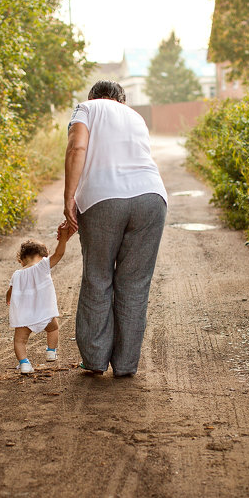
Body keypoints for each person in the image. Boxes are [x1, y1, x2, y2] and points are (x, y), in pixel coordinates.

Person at [62, 79, 167, 377]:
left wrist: (68, 197)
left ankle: (95, 361)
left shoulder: (85, 109)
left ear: (92, 97)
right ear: (121, 100)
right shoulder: (135, 116)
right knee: (134, 284)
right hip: (151, 198)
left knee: (98, 278)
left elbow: (77, 146)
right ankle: (125, 365)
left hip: (103, 199)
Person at [6, 230, 74, 374]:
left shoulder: (17, 274)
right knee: (53, 328)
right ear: (43, 255)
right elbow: (59, 254)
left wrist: (8, 299)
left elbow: (10, 292)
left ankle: (24, 364)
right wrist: (63, 239)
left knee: (19, 341)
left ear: (22, 260)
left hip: (24, 317)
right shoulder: (43, 266)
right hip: (45, 314)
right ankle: (51, 351)